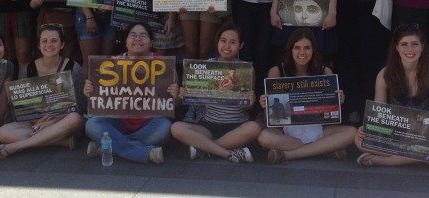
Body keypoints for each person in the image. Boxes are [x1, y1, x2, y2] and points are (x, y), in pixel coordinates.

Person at [354, 24, 429, 168]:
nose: (410, 49)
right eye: (404, 44)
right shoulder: (385, 74)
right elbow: (378, 113)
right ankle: (425, 158)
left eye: (415, 44)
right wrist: (367, 129)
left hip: (423, 136)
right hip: (395, 136)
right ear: (396, 48)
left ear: (422, 47)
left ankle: (384, 161)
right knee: (359, 140)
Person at [258, 28, 356, 163]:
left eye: (307, 48)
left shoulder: (325, 71)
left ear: (313, 50)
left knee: (352, 133)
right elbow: (275, 118)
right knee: (264, 137)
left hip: (318, 128)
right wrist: (266, 105)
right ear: (290, 50)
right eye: (297, 48)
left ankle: (288, 155)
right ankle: (325, 149)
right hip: (287, 131)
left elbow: (329, 116)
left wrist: (337, 101)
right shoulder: (277, 71)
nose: (302, 52)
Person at [84, 23, 178, 164]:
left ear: (151, 42)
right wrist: (89, 93)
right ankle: (144, 152)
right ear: (126, 41)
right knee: (92, 124)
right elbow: (100, 101)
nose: (138, 39)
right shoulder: (111, 63)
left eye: (143, 35)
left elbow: (175, 104)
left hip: (150, 123)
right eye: (133, 35)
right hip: (117, 121)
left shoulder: (163, 63)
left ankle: (106, 146)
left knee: (164, 128)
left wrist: (176, 95)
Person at [171, 25, 260, 163]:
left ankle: (204, 148)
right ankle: (227, 153)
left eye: (233, 42)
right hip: (208, 125)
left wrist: (251, 100)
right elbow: (191, 99)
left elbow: (248, 107)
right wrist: (184, 95)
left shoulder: (247, 69)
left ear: (240, 45)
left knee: (254, 128)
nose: (227, 46)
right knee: (176, 128)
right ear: (217, 42)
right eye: (223, 41)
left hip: (236, 125)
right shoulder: (206, 66)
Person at [0, 24, 84, 158]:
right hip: (34, 122)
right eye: (44, 41)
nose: (49, 44)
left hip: (62, 122)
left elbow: (81, 104)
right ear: (39, 45)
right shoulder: (28, 68)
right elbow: (20, 105)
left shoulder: (73, 67)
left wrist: (53, 121)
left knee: (75, 119)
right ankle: (60, 142)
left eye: (54, 40)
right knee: (2, 133)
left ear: (62, 44)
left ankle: (17, 146)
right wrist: (36, 120)